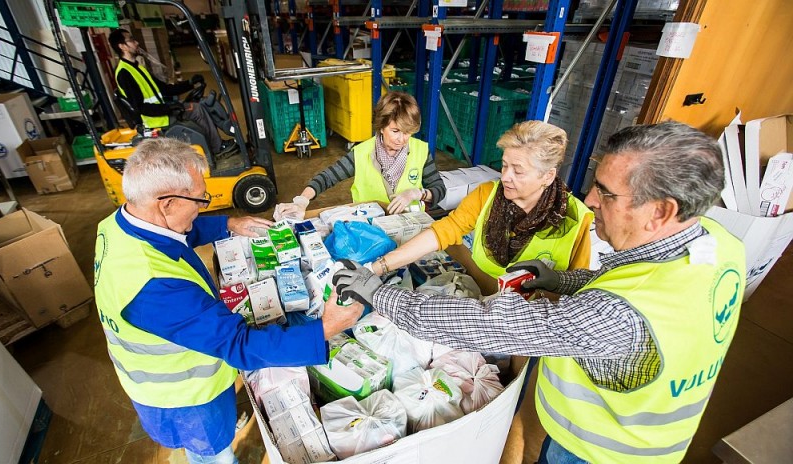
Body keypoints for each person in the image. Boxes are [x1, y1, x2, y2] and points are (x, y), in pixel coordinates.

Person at [331, 121, 746, 464]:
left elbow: (490, 323)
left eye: (607, 192)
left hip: (595, 448)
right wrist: (559, 281)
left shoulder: (613, 305)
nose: (591, 198)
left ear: (661, 211)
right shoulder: (720, 244)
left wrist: (379, 293)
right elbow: (628, 285)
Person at [93, 137, 364, 464]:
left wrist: (227, 224)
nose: (202, 206)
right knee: (214, 455)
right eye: (198, 200)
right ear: (166, 203)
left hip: (184, 375)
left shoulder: (122, 223)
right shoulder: (153, 287)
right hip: (186, 399)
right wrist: (327, 326)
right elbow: (240, 345)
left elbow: (176, 235)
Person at [368, 120, 593, 278]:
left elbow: (576, 284)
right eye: (504, 166)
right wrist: (379, 267)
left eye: (518, 171)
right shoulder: (487, 195)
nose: (506, 177)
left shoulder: (575, 218)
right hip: (484, 297)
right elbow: (442, 232)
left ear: (547, 176)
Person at [276, 91, 446, 218]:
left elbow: (439, 190)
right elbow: (327, 177)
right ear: (381, 126)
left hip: (411, 224)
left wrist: (417, 193)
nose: (402, 139)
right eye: (395, 131)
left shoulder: (420, 151)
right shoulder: (362, 153)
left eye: (408, 132)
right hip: (371, 227)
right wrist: (302, 201)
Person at [108, 29, 235, 155]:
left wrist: (190, 83)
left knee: (200, 105)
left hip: (161, 113)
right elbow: (140, 107)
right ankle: (217, 148)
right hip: (156, 120)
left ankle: (214, 145)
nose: (136, 43)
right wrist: (169, 108)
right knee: (197, 110)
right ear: (122, 46)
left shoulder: (137, 67)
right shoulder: (124, 73)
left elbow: (165, 88)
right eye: (131, 40)